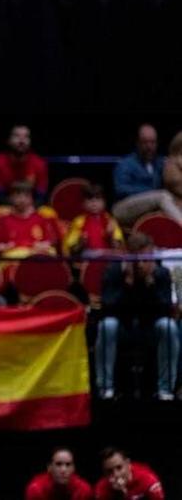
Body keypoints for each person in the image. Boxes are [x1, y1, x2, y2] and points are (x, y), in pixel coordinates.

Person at [94, 232, 180, 400]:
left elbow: (165, 308)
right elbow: (107, 306)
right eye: (137, 259)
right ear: (128, 256)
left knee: (168, 326)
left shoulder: (161, 273)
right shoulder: (113, 271)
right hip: (123, 327)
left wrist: (151, 285)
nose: (141, 264)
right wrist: (127, 285)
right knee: (107, 325)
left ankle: (165, 390)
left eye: (147, 258)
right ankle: (106, 388)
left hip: (149, 327)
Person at [112, 124, 182, 228]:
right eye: (145, 142)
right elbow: (121, 189)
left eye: (152, 142)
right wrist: (150, 191)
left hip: (150, 206)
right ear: (137, 143)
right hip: (123, 208)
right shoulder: (126, 163)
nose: (149, 146)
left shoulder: (159, 163)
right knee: (162, 196)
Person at [0, 125, 48, 206]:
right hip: (4, 207)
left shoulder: (40, 163)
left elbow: (41, 195)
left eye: (26, 137)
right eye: (17, 136)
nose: (21, 140)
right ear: (8, 140)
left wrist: (27, 210)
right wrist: (18, 209)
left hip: (31, 208)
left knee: (48, 213)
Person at [63, 184, 124, 257]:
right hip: (87, 255)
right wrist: (81, 242)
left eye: (98, 199)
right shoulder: (79, 222)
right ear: (83, 203)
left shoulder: (110, 220)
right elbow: (72, 250)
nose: (94, 203)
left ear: (104, 202)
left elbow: (118, 247)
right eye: (90, 200)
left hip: (108, 255)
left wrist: (111, 236)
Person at [95, 448, 163, 499]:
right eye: (109, 471)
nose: (116, 474)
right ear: (104, 472)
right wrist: (119, 495)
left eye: (119, 468)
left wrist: (126, 495)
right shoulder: (101, 489)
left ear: (128, 464)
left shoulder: (147, 479)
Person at [25, 447, 92, 500]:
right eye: (58, 464)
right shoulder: (36, 490)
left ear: (73, 468)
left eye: (68, 465)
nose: (63, 470)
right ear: (49, 468)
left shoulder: (83, 490)